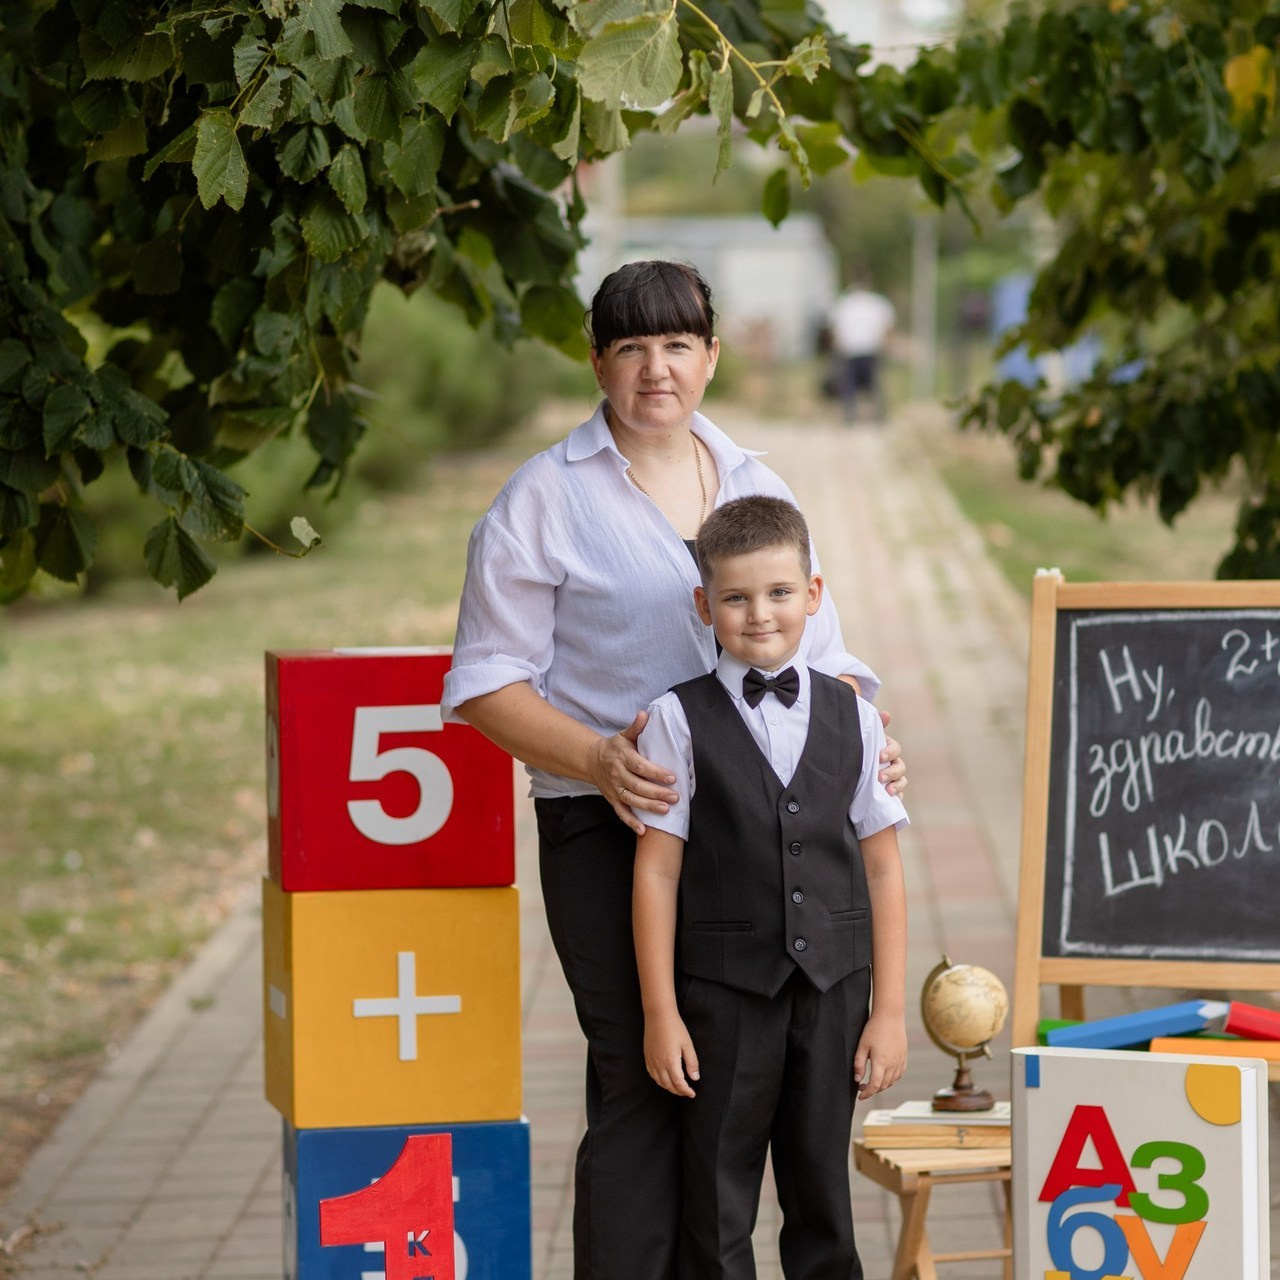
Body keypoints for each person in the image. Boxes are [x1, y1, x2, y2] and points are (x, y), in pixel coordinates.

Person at [440, 260, 906, 1280]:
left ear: (710, 354)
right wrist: (599, 758)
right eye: (632, 348)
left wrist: (865, 724)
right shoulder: (542, 499)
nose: (657, 369)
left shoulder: (754, 478)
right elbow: (482, 681)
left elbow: (819, 647)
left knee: (733, 1090)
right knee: (645, 1079)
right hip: (608, 831)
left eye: (678, 344)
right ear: (597, 360)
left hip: (748, 835)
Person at [632, 494, 909, 1279]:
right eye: (736, 597)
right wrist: (662, 1013)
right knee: (717, 1199)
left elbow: (883, 867)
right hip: (723, 998)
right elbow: (656, 869)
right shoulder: (674, 720)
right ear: (704, 605)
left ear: (813, 595)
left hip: (834, 993)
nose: (760, 614)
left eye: (781, 593)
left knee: (823, 1195)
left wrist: (887, 1012)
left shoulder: (856, 718)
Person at [827, 269, 896, 423]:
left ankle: (850, 416)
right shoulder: (877, 303)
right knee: (874, 386)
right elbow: (887, 328)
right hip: (871, 349)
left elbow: (835, 330)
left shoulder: (844, 303)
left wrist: (836, 349)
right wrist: (886, 347)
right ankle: (879, 417)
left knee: (849, 386)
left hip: (850, 350)